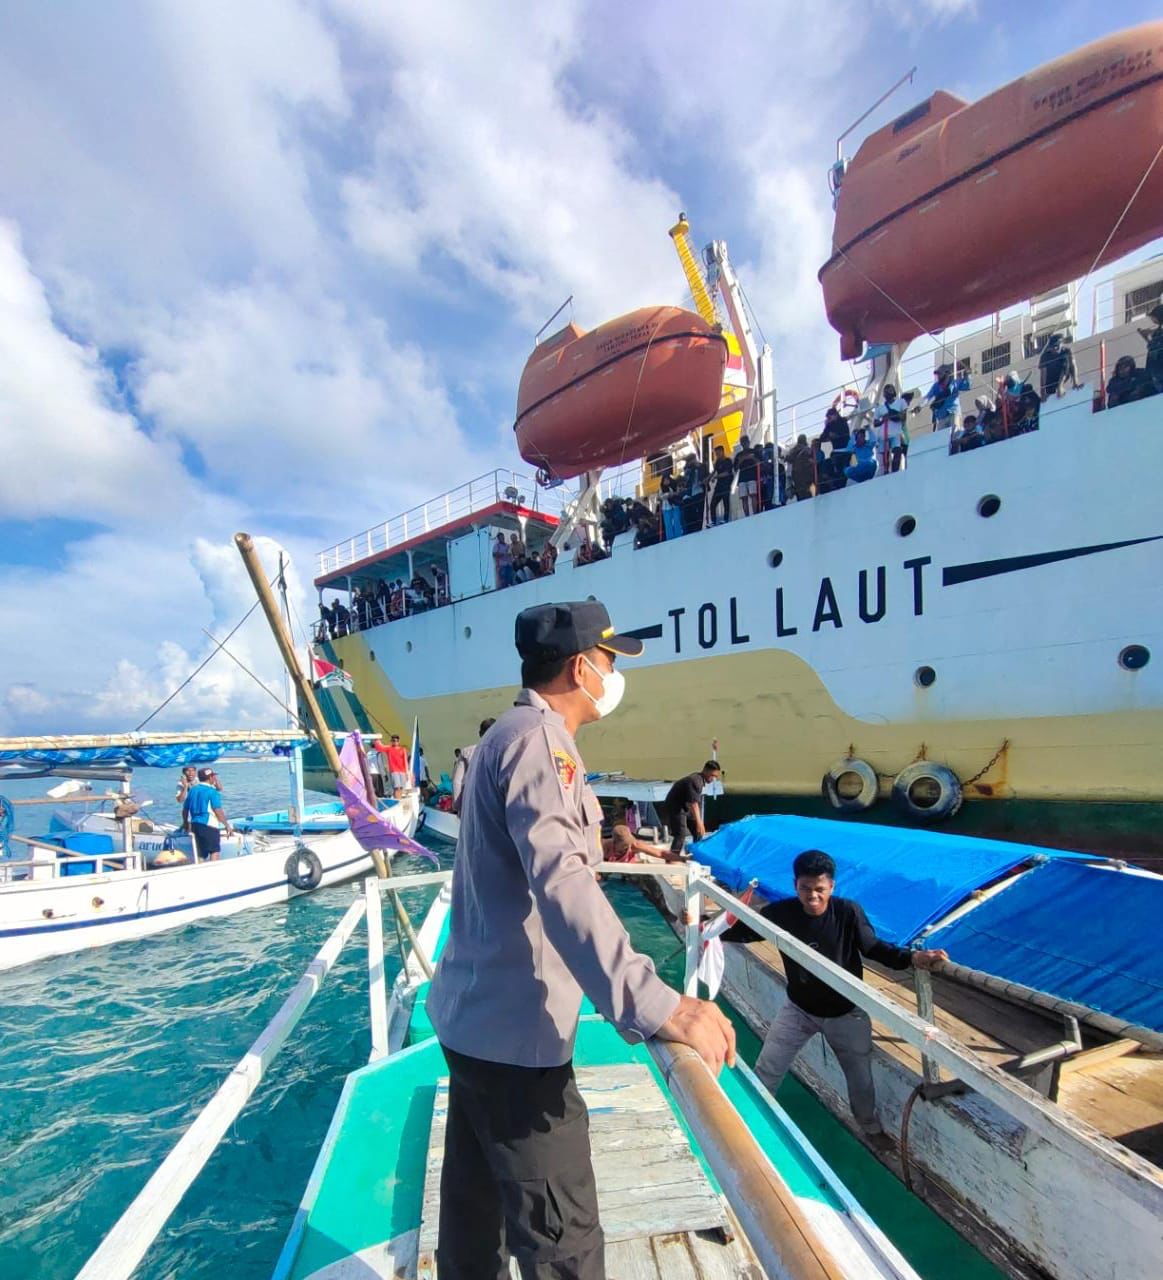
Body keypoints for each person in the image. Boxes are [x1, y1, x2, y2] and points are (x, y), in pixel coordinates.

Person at [426, 600, 735, 1277]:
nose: (612, 674)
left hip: (474, 1021)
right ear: (579, 667)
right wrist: (658, 1004)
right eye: (608, 661)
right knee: (560, 1238)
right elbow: (562, 881)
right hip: (516, 1039)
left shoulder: (498, 737)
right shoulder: (540, 743)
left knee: (474, 1213)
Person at [722, 849, 947, 1142]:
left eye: (820, 889)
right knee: (768, 1066)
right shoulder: (781, 913)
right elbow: (741, 932)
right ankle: (747, 1123)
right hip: (798, 1009)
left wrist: (913, 958)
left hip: (846, 1013)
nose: (812, 896)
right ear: (795, 886)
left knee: (861, 1082)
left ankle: (871, 1129)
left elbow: (873, 948)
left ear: (832, 887)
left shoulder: (848, 912)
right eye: (805, 888)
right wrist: (700, 924)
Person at [662, 761, 722, 856]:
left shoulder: (700, 779)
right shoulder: (695, 780)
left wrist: (698, 824)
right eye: (712, 775)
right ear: (705, 771)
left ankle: (695, 853)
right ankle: (672, 857)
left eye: (716, 777)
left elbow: (693, 803)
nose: (713, 779)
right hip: (676, 806)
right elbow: (694, 804)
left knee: (698, 832)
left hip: (686, 805)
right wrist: (699, 822)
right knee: (680, 834)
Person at [182, 767, 233, 861]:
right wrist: (226, 825)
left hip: (195, 825)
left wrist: (185, 823)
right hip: (209, 825)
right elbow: (218, 810)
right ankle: (214, 872)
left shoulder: (193, 790)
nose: (214, 778)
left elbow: (185, 809)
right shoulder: (212, 792)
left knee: (201, 853)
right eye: (213, 776)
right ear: (210, 778)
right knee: (214, 851)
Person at [451, 717, 496, 815]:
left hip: (471, 804)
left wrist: (457, 806)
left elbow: (457, 782)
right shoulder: (504, 752)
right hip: (495, 806)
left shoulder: (466, 752)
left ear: (480, 733)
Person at [873, 384, 908, 472]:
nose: (888, 392)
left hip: (896, 433)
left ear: (894, 391)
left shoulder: (901, 402)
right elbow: (875, 423)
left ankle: (894, 473)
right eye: (886, 391)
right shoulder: (880, 408)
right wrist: (882, 420)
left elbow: (904, 417)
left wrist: (891, 416)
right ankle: (886, 475)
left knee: (897, 453)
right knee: (885, 460)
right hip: (883, 436)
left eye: (890, 390)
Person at [924, 364, 970, 431]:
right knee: (942, 436)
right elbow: (928, 397)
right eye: (937, 374)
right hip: (941, 415)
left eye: (940, 374)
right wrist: (920, 406)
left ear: (947, 373)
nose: (938, 376)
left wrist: (967, 376)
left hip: (953, 412)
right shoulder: (936, 386)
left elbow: (967, 387)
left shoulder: (955, 382)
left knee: (955, 433)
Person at [1039, 332, 1078, 399]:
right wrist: (1043, 393)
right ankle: (1056, 389)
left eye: (1057, 346)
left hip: (1062, 375)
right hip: (1050, 380)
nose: (1055, 349)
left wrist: (1075, 382)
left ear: (1061, 344)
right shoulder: (1045, 356)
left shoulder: (1067, 351)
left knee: (1066, 359)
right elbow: (1043, 376)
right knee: (1050, 393)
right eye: (1053, 347)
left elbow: (1073, 366)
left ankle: (1060, 386)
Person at [375, 733, 411, 798]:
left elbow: (405, 761)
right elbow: (380, 748)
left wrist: (407, 772)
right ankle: (397, 801)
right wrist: (377, 740)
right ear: (391, 741)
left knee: (402, 788)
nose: (395, 742)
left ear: (399, 741)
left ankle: (399, 800)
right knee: (397, 787)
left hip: (402, 771)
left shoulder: (403, 749)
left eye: (396, 741)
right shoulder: (389, 748)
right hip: (394, 771)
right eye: (393, 740)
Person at [733, 435, 761, 517]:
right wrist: (741, 461)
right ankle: (747, 516)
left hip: (752, 476)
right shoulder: (738, 455)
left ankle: (755, 514)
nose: (745, 444)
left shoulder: (754, 451)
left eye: (746, 442)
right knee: (744, 498)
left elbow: (759, 462)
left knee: (753, 495)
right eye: (743, 442)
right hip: (742, 478)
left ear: (748, 442)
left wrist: (751, 458)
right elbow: (735, 468)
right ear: (741, 444)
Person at [1139, 302, 1163, 394]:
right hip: (1155, 364)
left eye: (1153, 317)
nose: (1152, 319)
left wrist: (1149, 334)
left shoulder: (1158, 331)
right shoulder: (1158, 331)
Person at [708, 445, 733, 525]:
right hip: (718, 486)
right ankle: (713, 521)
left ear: (722, 452)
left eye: (718, 453)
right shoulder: (717, 462)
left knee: (726, 502)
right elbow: (713, 472)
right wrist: (707, 479)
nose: (717, 455)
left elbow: (727, 473)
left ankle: (725, 519)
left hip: (726, 484)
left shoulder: (728, 461)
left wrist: (716, 477)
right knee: (712, 504)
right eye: (716, 454)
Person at [787, 433, 815, 502]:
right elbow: (812, 461)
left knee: (800, 495)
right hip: (807, 476)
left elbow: (789, 462)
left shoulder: (792, 451)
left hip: (796, 476)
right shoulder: (807, 450)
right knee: (810, 494)